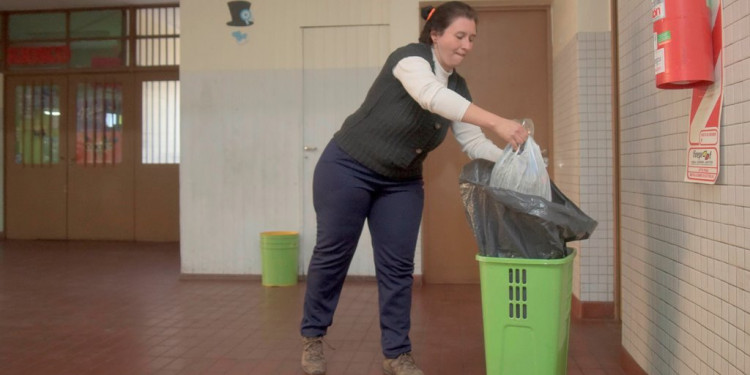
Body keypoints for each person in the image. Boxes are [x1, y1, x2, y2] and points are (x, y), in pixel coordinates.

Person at [300, 2, 529, 375]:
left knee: (398, 267)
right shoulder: (410, 59)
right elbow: (430, 97)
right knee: (333, 255)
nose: (467, 44)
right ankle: (312, 337)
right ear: (435, 34)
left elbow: (472, 142)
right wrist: (499, 121)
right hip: (348, 168)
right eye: (460, 35)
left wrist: (514, 158)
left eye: (472, 38)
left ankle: (397, 353)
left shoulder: (459, 86)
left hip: (401, 183)